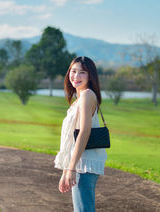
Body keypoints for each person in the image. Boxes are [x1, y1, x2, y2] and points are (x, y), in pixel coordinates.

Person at [54, 56, 107, 212]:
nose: (76, 76)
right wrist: (66, 170)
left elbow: (84, 132)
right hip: (79, 164)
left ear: (90, 76)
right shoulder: (80, 98)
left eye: (82, 72)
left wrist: (70, 169)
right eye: (73, 71)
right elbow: (72, 139)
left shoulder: (87, 96)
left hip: (83, 166)